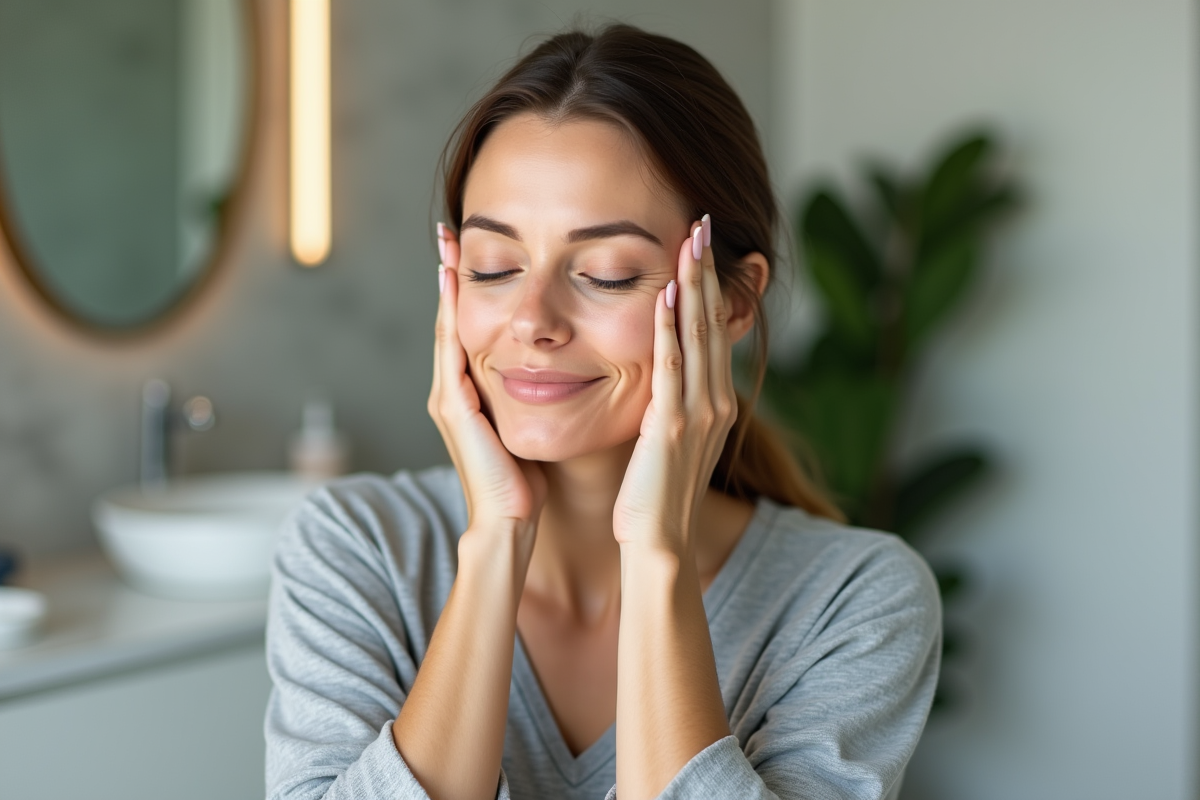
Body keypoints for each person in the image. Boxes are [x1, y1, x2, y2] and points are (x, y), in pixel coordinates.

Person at [264, 23, 940, 800]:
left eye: (607, 274)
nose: (532, 320)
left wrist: (658, 554)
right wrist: (495, 542)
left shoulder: (854, 599)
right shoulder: (359, 551)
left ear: (733, 302)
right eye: (495, 266)